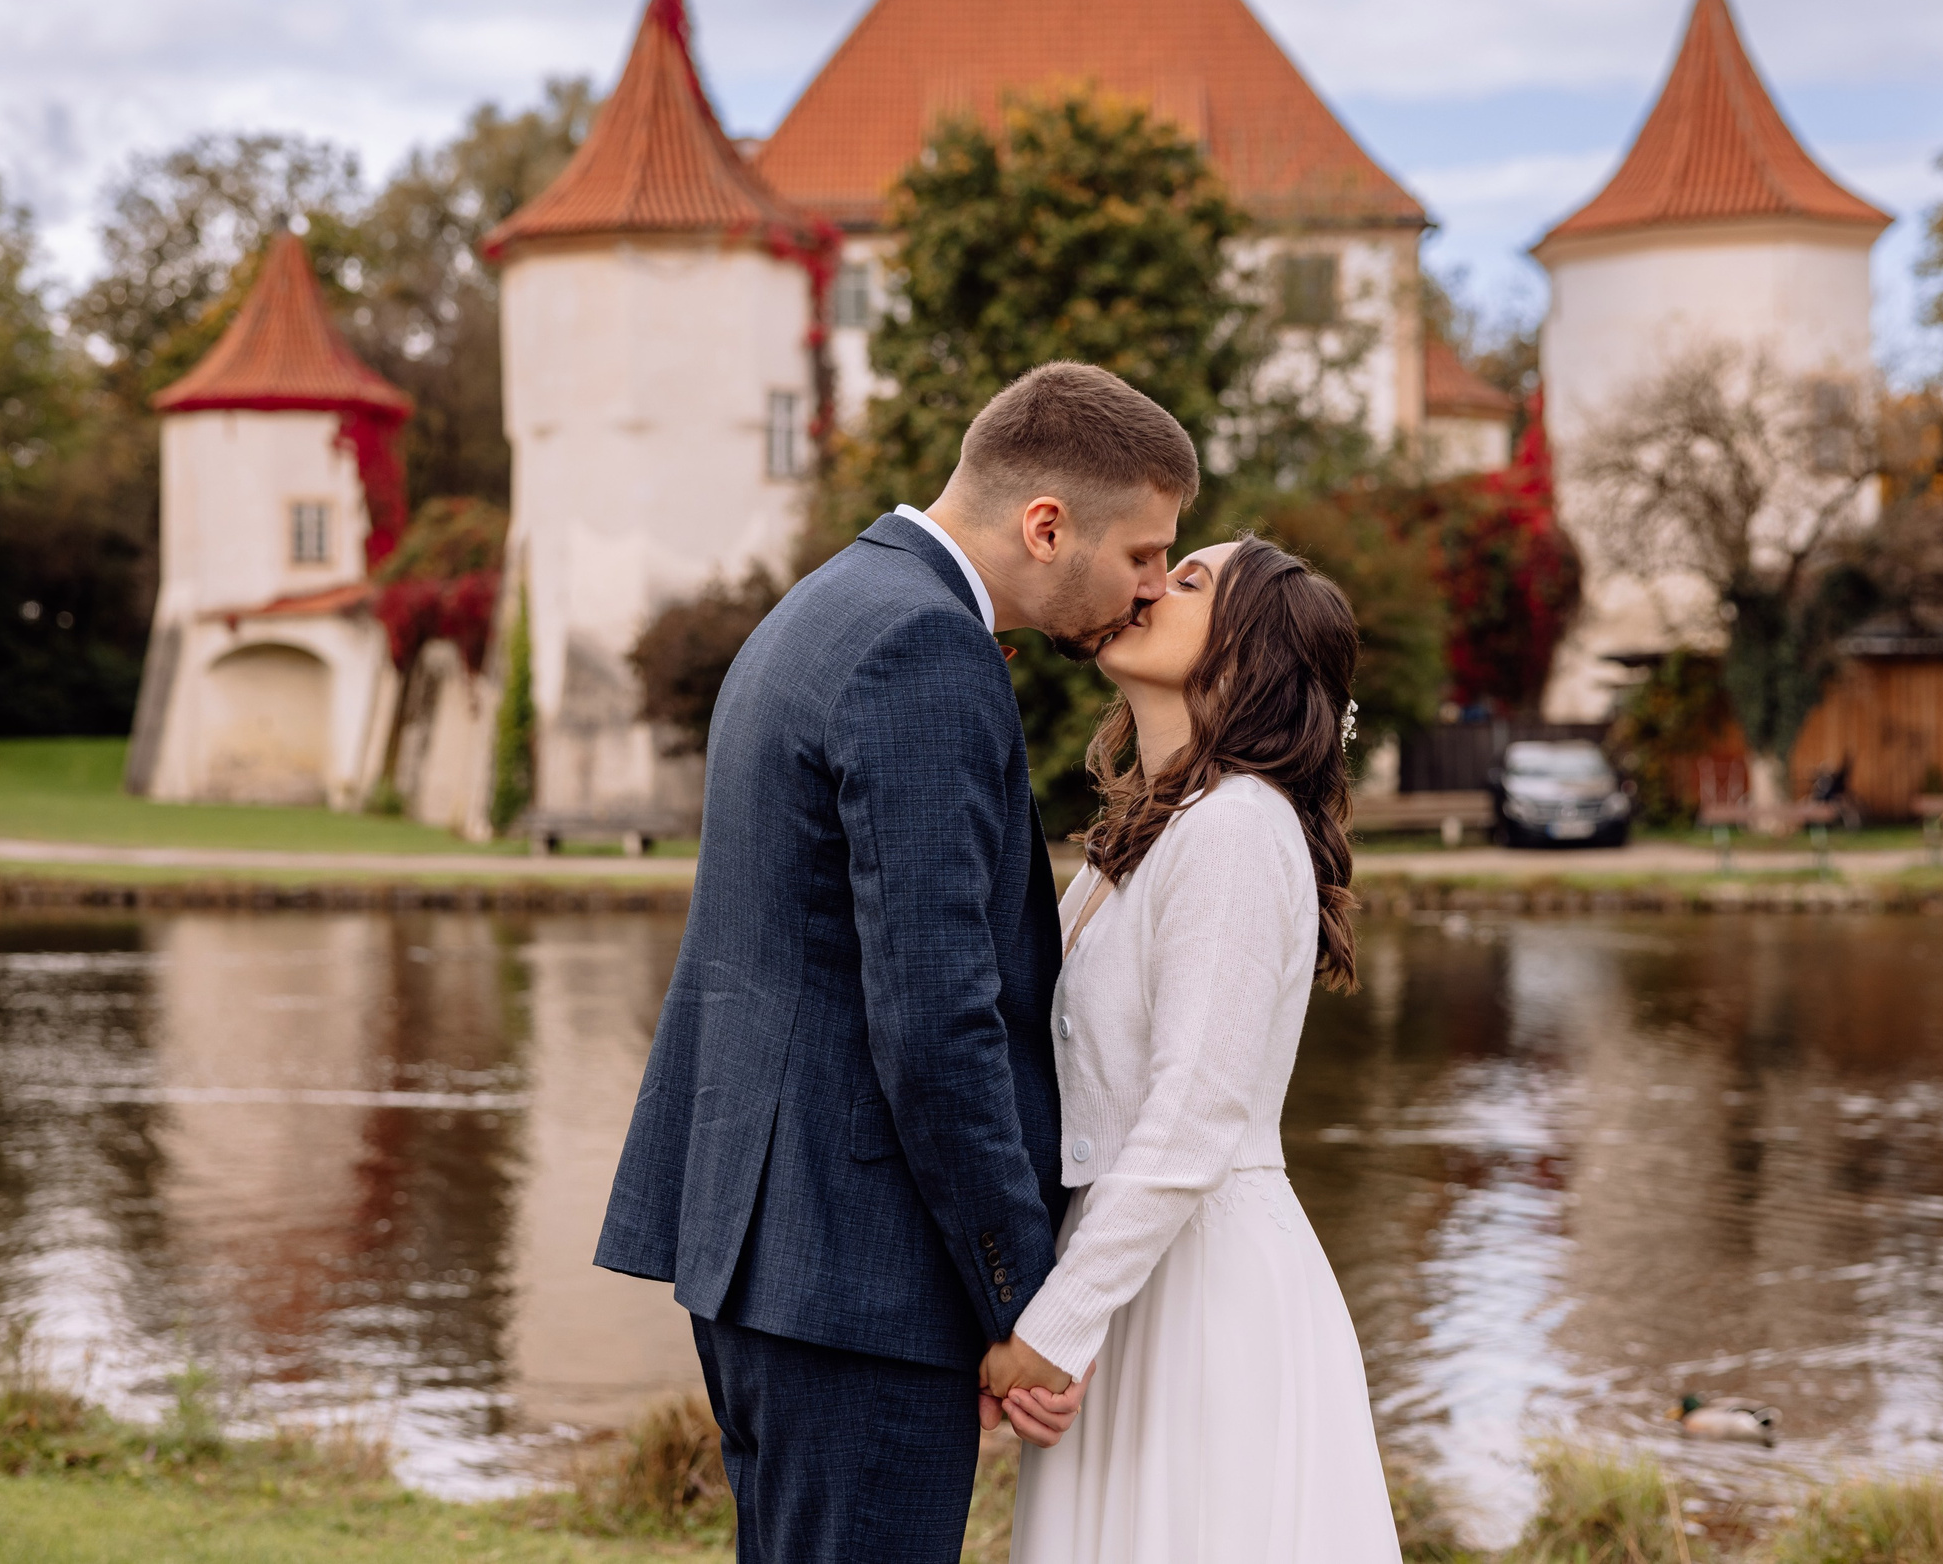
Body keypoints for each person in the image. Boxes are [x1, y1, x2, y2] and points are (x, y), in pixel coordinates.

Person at [594, 361, 1199, 1563]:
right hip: (858, 1278)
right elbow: (934, 1022)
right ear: (1045, 524)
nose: (1148, 588)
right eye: (1142, 553)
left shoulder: (831, 604)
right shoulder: (922, 651)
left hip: (775, 1258)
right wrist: (1021, 1296)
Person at [992, 535, 1405, 1563]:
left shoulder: (1234, 827)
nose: (1147, 584)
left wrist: (1054, 1327)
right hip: (1128, 1275)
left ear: (1248, 652)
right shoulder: (1134, 837)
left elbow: (1192, 1117)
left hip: (1203, 1294)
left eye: (1188, 580)